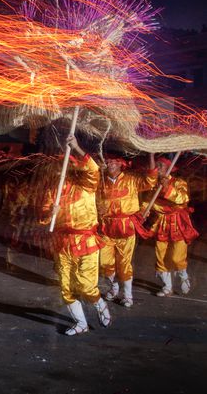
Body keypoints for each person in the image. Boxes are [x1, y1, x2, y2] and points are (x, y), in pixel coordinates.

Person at [42, 135, 111, 336]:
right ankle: (81, 324)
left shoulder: (87, 186)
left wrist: (77, 148)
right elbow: (43, 216)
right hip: (63, 242)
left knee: (86, 285)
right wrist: (49, 213)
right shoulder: (53, 191)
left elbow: (93, 169)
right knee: (66, 287)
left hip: (86, 240)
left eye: (67, 166)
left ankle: (99, 304)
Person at [97, 153, 157, 307]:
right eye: (107, 161)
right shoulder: (100, 180)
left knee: (124, 264)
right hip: (106, 227)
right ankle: (114, 287)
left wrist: (151, 156)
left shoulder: (131, 179)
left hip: (126, 227)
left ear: (120, 163)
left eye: (113, 161)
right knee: (104, 263)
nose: (109, 164)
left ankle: (128, 295)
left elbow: (150, 180)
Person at [145, 156, 199, 296]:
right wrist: (142, 212)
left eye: (161, 165)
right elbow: (148, 201)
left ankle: (183, 275)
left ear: (169, 168)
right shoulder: (154, 184)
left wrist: (167, 187)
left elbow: (183, 199)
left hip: (178, 222)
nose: (158, 167)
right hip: (161, 222)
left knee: (176, 256)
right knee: (161, 255)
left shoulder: (178, 182)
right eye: (157, 165)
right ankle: (167, 287)